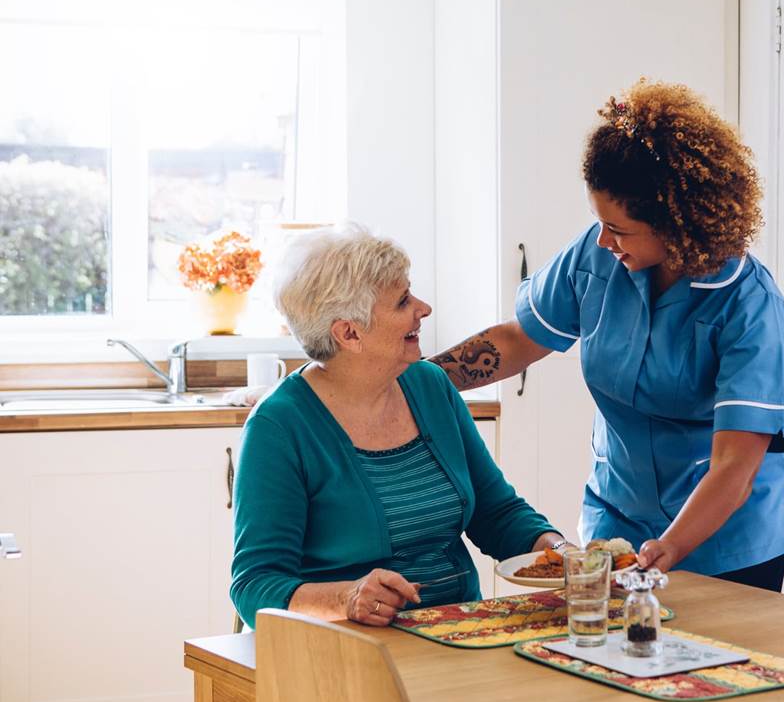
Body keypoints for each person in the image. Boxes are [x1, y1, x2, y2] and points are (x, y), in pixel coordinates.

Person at [431, 79, 784, 592]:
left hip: (727, 542)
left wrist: (671, 547)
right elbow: (518, 340)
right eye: (598, 222)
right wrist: (418, 380)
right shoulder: (597, 254)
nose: (604, 239)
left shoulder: (749, 305)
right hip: (618, 523)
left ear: (677, 222)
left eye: (620, 229)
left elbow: (735, 466)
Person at [230, 224, 565, 629]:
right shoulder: (279, 426)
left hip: (455, 632)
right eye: (403, 300)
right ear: (349, 333)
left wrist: (558, 551)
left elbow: (496, 513)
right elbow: (255, 585)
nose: (423, 308)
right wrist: (347, 597)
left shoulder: (429, 385)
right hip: (345, 649)